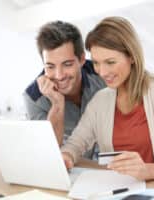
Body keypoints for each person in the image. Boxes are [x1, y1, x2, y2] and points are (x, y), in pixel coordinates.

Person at [61, 16, 154, 187]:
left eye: (110, 62)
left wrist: (147, 170)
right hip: (122, 191)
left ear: (132, 57)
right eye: (96, 63)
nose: (102, 72)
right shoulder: (100, 100)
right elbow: (76, 143)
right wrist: (67, 156)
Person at [23, 21, 105, 151]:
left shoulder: (102, 75)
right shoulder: (33, 98)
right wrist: (57, 104)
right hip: (72, 165)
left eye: (67, 64)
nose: (59, 75)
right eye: (50, 66)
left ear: (82, 59)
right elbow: (48, 150)